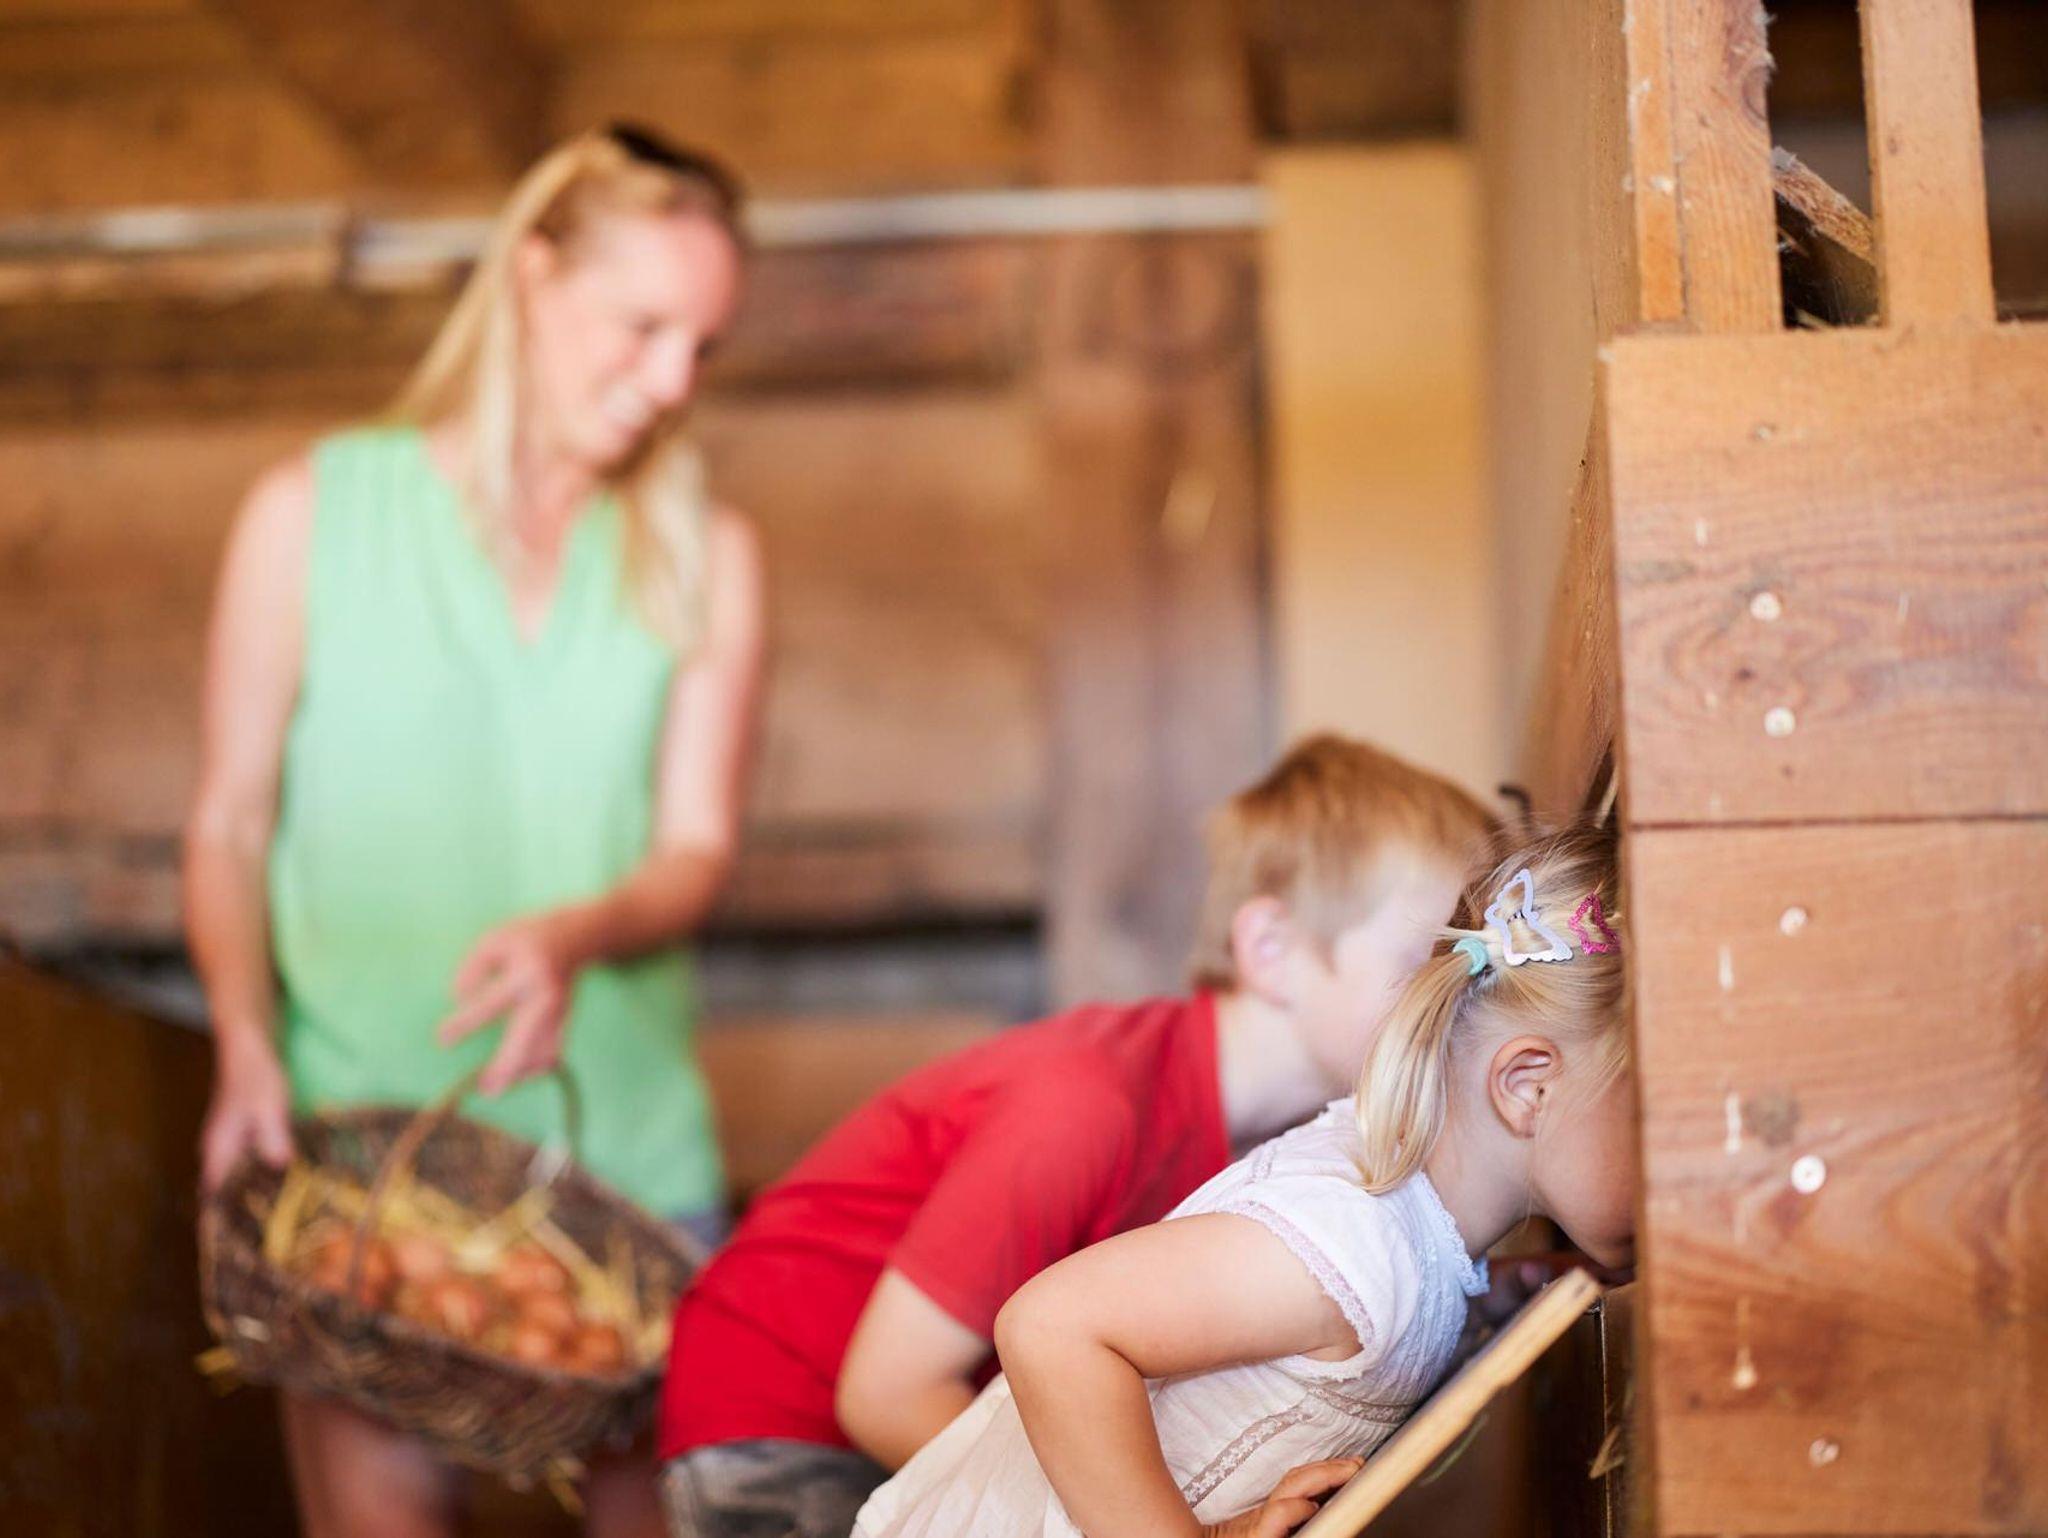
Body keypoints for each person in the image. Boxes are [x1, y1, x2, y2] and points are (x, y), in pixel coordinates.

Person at [184, 124, 764, 1538]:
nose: (673, 382)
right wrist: (244, 1042)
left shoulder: (708, 551)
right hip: (364, 1164)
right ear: (532, 274)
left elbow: (695, 850)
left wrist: (578, 931)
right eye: (642, 327)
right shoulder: (310, 514)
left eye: (702, 347)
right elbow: (229, 820)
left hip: (626, 1167)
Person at [657, 735, 1497, 1538]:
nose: (1456, 1005)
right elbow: (886, 1393)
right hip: (778, 1423)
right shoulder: (1086, 1108)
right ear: (1271, 949)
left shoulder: (1282, 1157)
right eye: (1426, 965)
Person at [852, 823, 1635, 1538]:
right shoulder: (1354, 1247)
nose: (1680, 1167)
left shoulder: (1401, 1228)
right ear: (1527, 1084)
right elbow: (1051, 1327)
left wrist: (1484, 1303)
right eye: (1657, 1114)